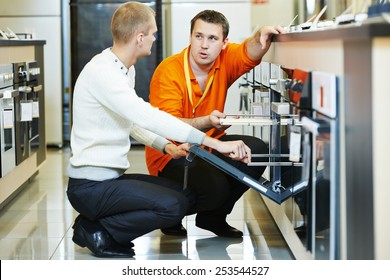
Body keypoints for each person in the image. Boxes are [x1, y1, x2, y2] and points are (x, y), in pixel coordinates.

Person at [66, 2, 252, 259]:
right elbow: (147, 116)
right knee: (173, 207)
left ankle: (100, 225)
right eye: (153, 33)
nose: (155, 37)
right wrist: (217, 143)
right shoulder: (103, 72)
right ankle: (98, 230)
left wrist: (165, 146)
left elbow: (131, 123)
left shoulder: (123, 69)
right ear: (140, 38)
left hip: (109, 179)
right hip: (90, 187)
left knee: (183, 196)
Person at [145, 10, 285, 238]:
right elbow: (168, 125)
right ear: (190, 36)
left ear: (224, 43)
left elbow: (250, 50)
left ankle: (213, 218)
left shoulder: (225, 58)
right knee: (215, 188)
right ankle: (169, 213)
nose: (204, 45)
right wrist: (207, 121)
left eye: (212, 39)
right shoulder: (169, 72)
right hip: (171, 153)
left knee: (257, 150)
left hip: (209, 145)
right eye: (199, 36)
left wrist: (262, 33)